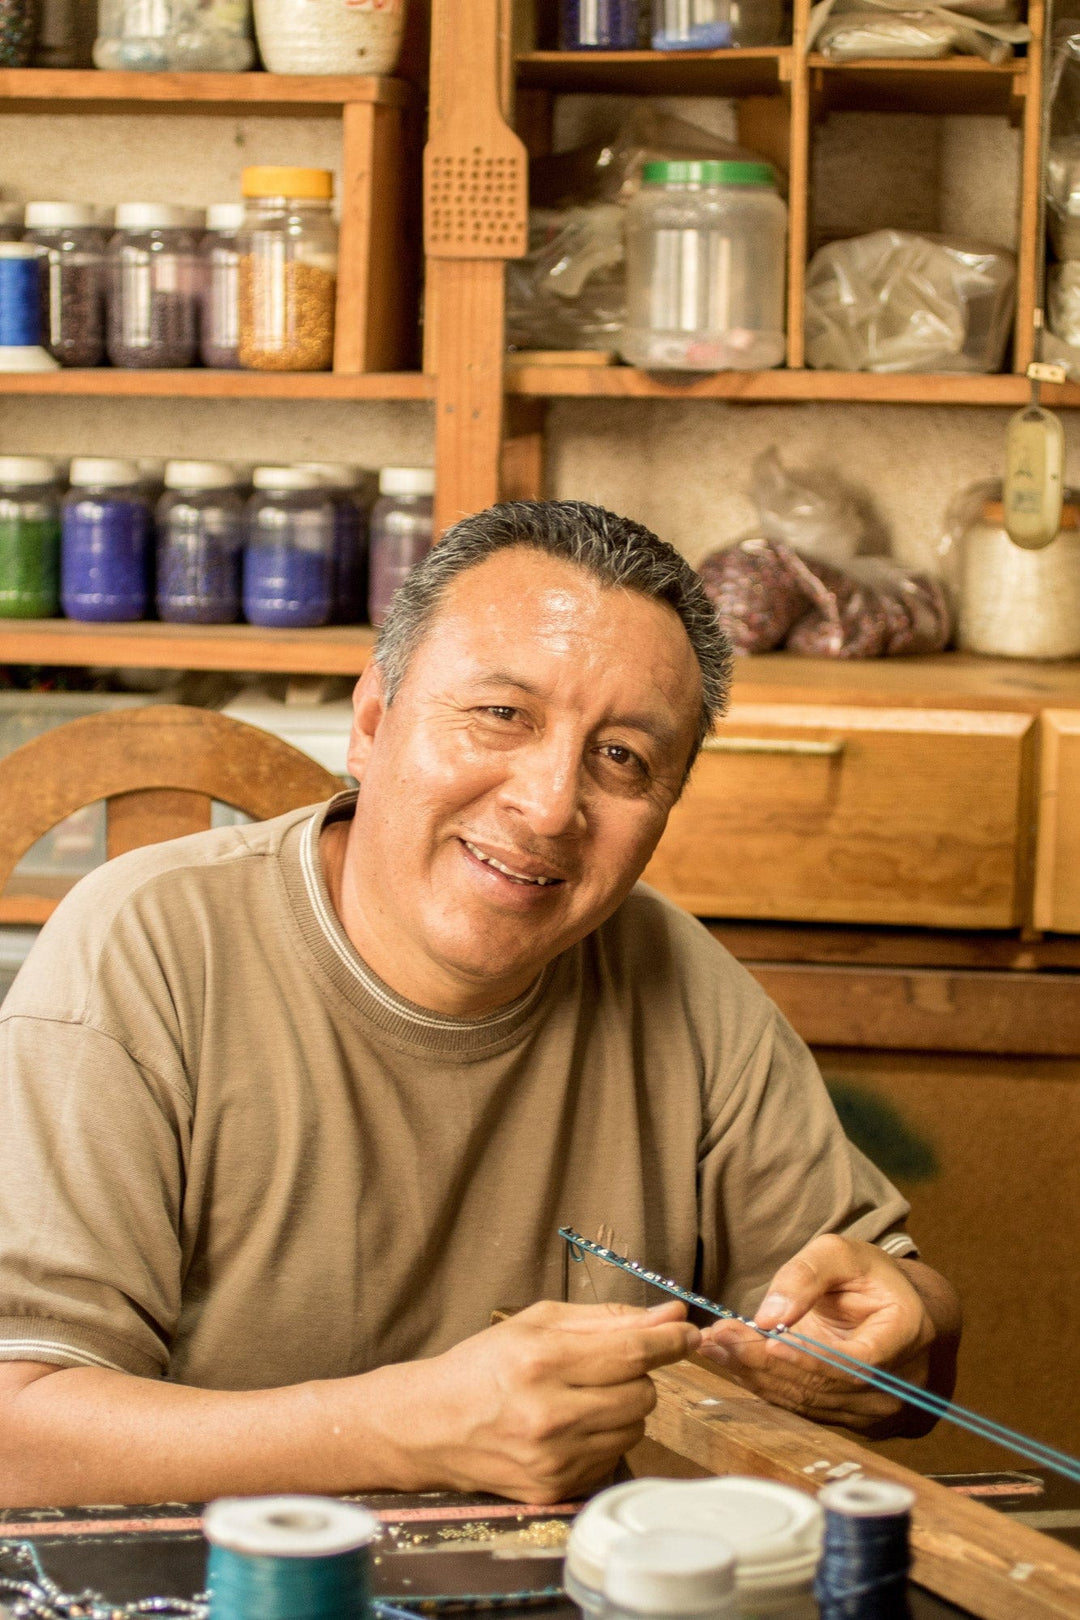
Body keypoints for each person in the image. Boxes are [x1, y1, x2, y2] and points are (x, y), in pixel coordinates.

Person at [0, 501, 960, 1508]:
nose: (550, 805)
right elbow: (18, 1430)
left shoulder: (676, 978)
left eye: (623, 757)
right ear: (371, 723)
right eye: (502, 715)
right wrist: (407, 1430)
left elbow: (912, 1361)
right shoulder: (145, 946)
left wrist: (903, 1331)